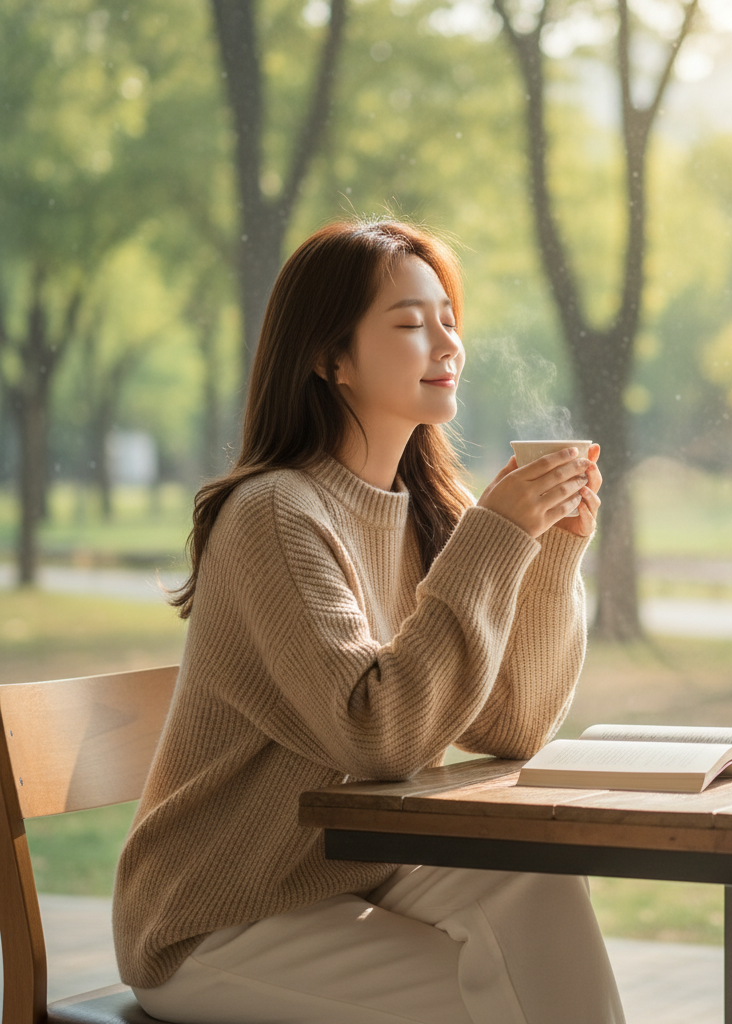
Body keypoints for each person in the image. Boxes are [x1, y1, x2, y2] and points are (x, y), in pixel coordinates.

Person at [112, 220, 624, 1024]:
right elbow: (377, 734)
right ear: (331, 358)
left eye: (449, 319)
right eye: (412, 324)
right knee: (509, 1002)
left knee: (535, 874)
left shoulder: (427, 519)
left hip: (347, 870)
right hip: (217, 915)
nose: (446, 343)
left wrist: (550, 554)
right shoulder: (275, 515)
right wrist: (497, 538)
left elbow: (513, 725)